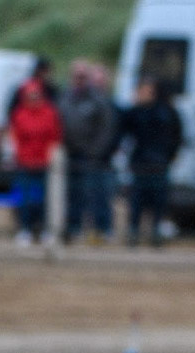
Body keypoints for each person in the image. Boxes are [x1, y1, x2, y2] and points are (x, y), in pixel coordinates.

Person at [58, 60, 118, 243]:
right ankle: (73, 229)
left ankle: (102, 230)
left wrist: (95, 151)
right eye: (77, 76)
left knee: (96, 196)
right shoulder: (64, 99)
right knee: (72, 196)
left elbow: (106, 128)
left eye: (83, 76)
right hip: (69, 156)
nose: (80, 80)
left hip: (92, 158)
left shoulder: (98, 100)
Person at [119, 79, 183, 246]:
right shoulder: (137, 112)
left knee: (158, 203)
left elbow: (176, 137)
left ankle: (156, 233)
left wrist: (169, 156)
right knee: (137, 202)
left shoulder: (165, 112)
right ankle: (135, 232)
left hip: (158, 165)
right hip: (142, 164)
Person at [7, 80, 61, 246]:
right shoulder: (19, 114)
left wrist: (50, 157)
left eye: (36, 95)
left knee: (46, 200)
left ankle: (46, 230)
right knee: (24, 199)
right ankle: (24, 230)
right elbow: (15, 138)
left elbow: (54, 136)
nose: (33, 98)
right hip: (24, 163)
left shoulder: (49, 113)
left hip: (44, 164)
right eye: (30, 95)